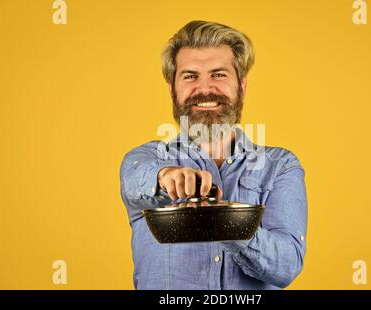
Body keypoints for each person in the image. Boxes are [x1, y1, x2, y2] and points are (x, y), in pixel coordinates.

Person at [120, 20, 308, 290]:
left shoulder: (280, 166)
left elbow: (286, 266)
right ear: (172, 89)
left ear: (241, 86)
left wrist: (223, 221)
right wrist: (166, 177)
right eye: (190, 76)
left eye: (219, 75)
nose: (205, 89)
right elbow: (135, 183)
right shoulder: (147, 158)